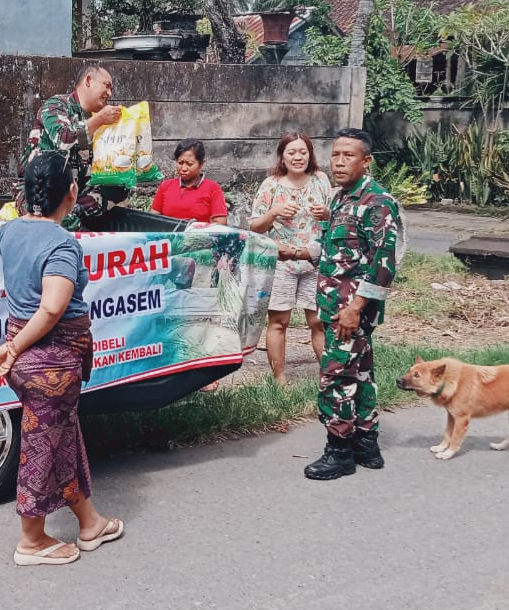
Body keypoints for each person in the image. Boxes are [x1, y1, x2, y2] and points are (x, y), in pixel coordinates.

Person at [0, 151, 125, 566]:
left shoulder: (7, 231)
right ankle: (31, 541)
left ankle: (90, 522)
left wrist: (15, 347)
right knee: (42, 444)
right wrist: (15, 348)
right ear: (72, 192)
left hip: (28, 358)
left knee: (62, 435)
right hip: (48, 361)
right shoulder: (62, 245)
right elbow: (50, 309)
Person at [304, 128, 401, 481]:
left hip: (350, 310)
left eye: (349, 156)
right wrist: (294, 252)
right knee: (360, 373)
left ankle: (339, 451)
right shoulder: (340, 198)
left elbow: (383, 265)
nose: (340, 162)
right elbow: (336, 251)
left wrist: (355, 307)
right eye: (336, 155)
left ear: (366, 161)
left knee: (335, 376)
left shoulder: (377, 202)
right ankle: (366, 445)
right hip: (336, 305)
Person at [247, 132, 333, 383]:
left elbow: (336, 216)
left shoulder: (320, 180)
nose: (298, 157)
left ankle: (329, 376)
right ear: (282, 157)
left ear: (310, 154)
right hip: (282, 263)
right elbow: (254, 227)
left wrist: (326, 213)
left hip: (315, 261)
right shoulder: (271, 185)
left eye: (303, 152)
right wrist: (274, 212)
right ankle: (279, 379)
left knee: (318, 322)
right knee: (279, 321)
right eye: (292, 152)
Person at [17, 63, 125, 230]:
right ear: (88, 80)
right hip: (40, 192)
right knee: (55, 220)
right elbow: (64, 138)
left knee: (119, 186)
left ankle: (72, 212)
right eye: (107, 86)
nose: (109, 93)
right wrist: (99, 120)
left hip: (75, 194)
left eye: (111, 89)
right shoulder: (57, 105)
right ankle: (69, 220)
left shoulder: (99, 120)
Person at [151, 139, 229, 225]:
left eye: (189, 164)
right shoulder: (166, 186)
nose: (184, 168)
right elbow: (152, 220)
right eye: (180, 163)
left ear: (201, 164)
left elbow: (220, 224)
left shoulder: (212, 188)